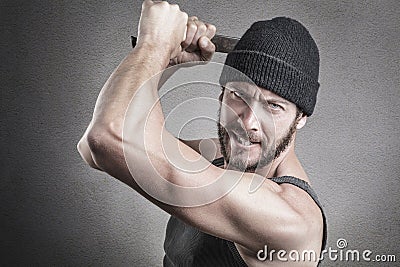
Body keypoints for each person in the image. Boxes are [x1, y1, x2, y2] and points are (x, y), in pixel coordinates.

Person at [77, 0, 327, 266]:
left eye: (274, 106)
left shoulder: (291, 220)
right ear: (221, 94)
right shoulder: (217, 155)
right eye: (238, 95)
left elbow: (109, 137)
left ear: (301, 118)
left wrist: (153, 45)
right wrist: (163, 62)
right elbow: (96, 150)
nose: (249, 122)